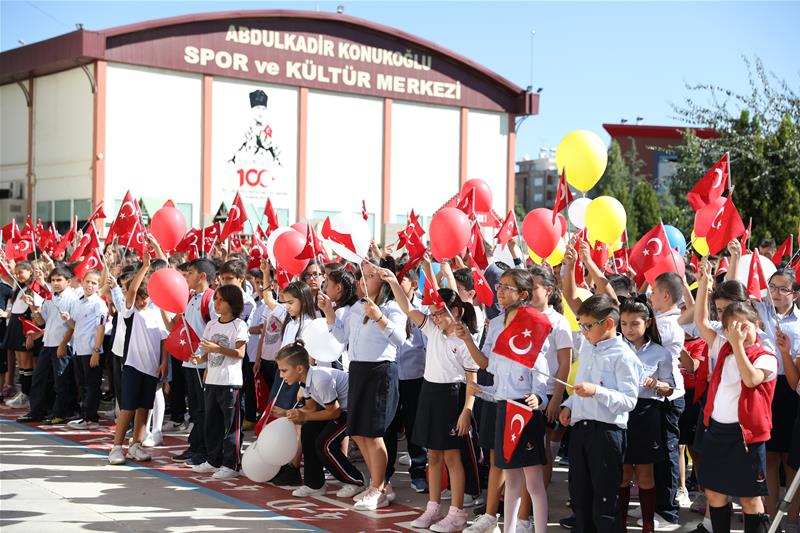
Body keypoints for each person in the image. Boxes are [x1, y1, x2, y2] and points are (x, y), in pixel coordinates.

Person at [380, 266, 479, 532]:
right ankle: (433, 508)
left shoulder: (465, 339)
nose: (435, 318)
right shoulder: (433, 330)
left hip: (452, 397)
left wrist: (466, 411)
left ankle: (457, 513)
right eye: (433, 314)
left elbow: (472, 379)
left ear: (455, 311)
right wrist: (393, 283)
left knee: (452, 458)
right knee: (433, 455)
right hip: (430, 393)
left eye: (440, 313)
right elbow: (408, 309)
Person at [459, 268, 551, 533]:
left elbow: (539, 364)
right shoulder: (496, 323)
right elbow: (487, 363)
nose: (499, 291)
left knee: (532, 481)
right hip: (503, 407)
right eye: (499, 285)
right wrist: (467, 339)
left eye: (507, 287)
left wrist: (540, 396)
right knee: (510, 479)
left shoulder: (534, 321)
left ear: (523, 294)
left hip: (525, 408)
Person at [321, 259, 406, 511]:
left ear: (383, 281)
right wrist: (329, 313)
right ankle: (376, 483)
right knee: (358, 432)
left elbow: (400, 339)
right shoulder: (356, 308)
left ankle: (379, 487)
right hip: (357, 369)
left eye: (369, 276)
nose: (362, 281)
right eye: (362, 275)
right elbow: (341, 337)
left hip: (380, 371)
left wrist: (379, 317)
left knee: (374, 433)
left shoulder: (392, 307)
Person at [559, 294, 642, 533]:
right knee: (579, 494)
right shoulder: (588, 348)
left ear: (607, 324)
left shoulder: (623, 356)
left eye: (587, 326)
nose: (583, 331)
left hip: (606, 433)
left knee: (604, 498)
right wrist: (570, 405)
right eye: (581, 325)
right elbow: (582, 386)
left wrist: (597, 391)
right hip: (581, 430)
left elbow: (628, 400)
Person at [698, 303, 777, 533]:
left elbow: (751, 379)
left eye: (745, 326)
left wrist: (738, 345)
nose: (740, 332)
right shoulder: (725, 348)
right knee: (714, 492)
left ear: (758, 325)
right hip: (716, 431)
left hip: (745, 437)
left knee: (749, 499)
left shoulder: (766, 356)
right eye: (733, 327)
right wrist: (705, 284)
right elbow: (702, 322)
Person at [276, 341, 365, 498]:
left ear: (299, 368)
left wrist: (303, 415)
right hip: (339, 410)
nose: (281, 375)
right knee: (309, 430)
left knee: (325, 445)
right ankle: (314, 484)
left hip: (354, 410)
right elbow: (311, 409)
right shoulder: (305, 380)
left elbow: (335, 412)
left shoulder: (320, 379)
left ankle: (356, 480)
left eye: (284, 370)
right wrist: (289, 413)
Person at [617, 296, 675, 533]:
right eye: (623, 323)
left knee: (645, 473)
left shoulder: (661, 353)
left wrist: (657, 384)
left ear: (648, 323)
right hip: (620, 412)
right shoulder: (615, 348)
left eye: (634, 323)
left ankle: (648, 524)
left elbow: (670, 387)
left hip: (647, 414)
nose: (629, 329)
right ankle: (618, 524)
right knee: (621, 473)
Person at [108, 254, 169, 465]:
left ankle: (136, 445)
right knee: (128, 408)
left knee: (145, 407)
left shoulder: (156, 314)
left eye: (146, 297)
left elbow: (163, 340)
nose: (142, 300)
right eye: (140, 297)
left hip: (151, 369)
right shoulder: (130, 312)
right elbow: (132, 291)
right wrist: (144, 266)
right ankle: (116, 447)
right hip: (133, 365)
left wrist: (164, 362)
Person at [190, 285, 249, 480]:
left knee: (231, 426)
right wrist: (199, 359)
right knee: (211, 424)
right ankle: (213, 460)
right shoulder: (211, 325)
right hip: (212, 381)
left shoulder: (239, 325)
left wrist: (217, 348)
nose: (216, 303)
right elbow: (205, 352)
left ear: (232, 303)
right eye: (215, 299)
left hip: (230, 382)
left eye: (220, 300)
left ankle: (231, 464)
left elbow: (240, 353)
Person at [650, 271, 688, 528]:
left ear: (666, 295)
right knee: (657, 453)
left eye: (654, 292)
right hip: (658, 395)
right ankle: (656, 506)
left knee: (666, 453)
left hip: (668, 395)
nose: (650, 296)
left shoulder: (667, 324)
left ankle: (667, 512)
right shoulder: (662, 318)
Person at [170, 258, 216, 467]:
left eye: (190, 273)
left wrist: (207, 358)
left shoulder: (212, 299)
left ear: (202, 276)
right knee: (195, 408)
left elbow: (217, 331)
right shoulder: (189, 297)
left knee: (204, 410)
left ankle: (206, 450)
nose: (185, 277)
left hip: (204, 363)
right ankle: (195, 445)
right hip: (189, 362)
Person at [18, 265, 78, 423]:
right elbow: (41, 321)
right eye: (53, 280)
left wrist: (63, 345)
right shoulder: (50, 298)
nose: (55, 283)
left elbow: (73, 326)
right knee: (39, 379)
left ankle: (61, 413)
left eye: (59, 280)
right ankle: (37, 411)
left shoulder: (72, 299)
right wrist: (32, 306)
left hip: (63, 345)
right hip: (47, 343)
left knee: (61, 381)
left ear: (68, 281)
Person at [61, 269, 108, 429]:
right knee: (82, 384)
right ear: (82, 282)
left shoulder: (99, 303)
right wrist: (68, 320)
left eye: (94, 283)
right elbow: (75, 325)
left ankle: (91, 418)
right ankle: (84, 415)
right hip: (78, 349)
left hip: (91, 350)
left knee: (92, 385)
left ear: (98, 286)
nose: (90, 285)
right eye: (87, 281)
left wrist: (96, 351)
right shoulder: (77, 302)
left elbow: (100, 328)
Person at [1, 261, 41, 409]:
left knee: (26, 361)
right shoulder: (18, 287)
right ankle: (23, 393)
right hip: (15, 323)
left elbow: (37, 309)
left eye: (21, 272)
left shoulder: (34, 287)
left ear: (30, 271)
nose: (18, 275)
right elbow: (5, 273)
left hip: (26, 323)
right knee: (20, 361)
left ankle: (27, 394)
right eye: (16, 273)